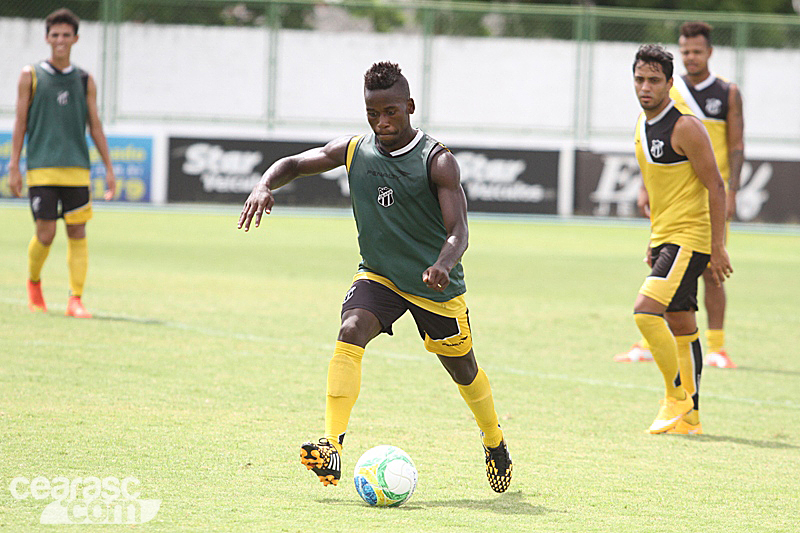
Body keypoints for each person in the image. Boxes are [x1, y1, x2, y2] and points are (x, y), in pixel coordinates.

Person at [238, 61, 512, 492]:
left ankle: (494, 439)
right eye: (373, 113)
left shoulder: (437, 161)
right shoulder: (354, 150)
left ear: (410, 106)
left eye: (391, 112)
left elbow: (459, 230)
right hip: (379, 276)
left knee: (463, 370)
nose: (382, 122)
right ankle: (332, 446)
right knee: (351, 329)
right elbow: (293, 162)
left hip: (432, 285)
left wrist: (442, 263)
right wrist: (264, 184)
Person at [616, 21, 743, 369]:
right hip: (675, 200)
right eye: (685, 51)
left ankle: (717, 346)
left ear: (709, 53)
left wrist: (732, 189)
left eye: (696, 51)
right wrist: (645, 185)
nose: (690, 57)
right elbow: (655, 154)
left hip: (708, 194)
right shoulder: (663, 98)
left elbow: (736, 145)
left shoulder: (725, 93)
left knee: (713, 270)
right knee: (670, 283)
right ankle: (651, 345)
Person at [630, 45, 732, 435]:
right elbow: (662, 189)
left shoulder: (685, 126)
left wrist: (718, 247)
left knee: (644, 311)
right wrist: (653, 240)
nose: (645, 87)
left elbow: (715, 186)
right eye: (640, 79)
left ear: (670, 84)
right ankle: (691, 419)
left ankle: (676, 396)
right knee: (682, 323)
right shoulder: (641, 123)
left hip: (691, 239)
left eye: (654, 80)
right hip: (665, 238)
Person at [8, 7, 116, 318]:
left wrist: (108, 168)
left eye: (66, 35)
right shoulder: (30, 76)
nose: (60, 40)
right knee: (46, 235)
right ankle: (34, 283)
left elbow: (95, 125)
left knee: (77, 233)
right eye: (55, 34)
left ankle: (75, 299)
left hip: (77, 170)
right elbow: (20, 121)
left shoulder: (84, 80)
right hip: (42, 168)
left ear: (75, 39)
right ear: (46, 38)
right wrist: (14, 165)